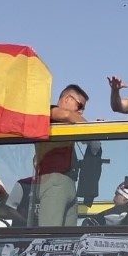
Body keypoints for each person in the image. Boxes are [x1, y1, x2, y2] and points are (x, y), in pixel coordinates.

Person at [32, 85, 90, 226]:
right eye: (80, 105)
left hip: (69, 182)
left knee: (67, 239)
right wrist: (92, 127)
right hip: (54, 179)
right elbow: (67, 115)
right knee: (50, 233)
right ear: (67, 99)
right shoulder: (49, 111)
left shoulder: (69, 124)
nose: (81, 111)